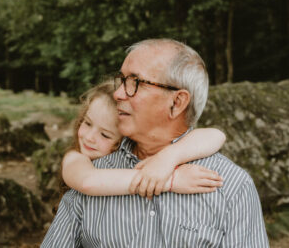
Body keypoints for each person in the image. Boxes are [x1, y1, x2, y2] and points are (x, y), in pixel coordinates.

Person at [42, 39, 269, 247]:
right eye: (121, 80)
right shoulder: (94, 172)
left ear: (177, 103)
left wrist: (168, 159)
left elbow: (216, 135)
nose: (119, 93)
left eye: (134, 82)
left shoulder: (230, 186)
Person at [59, 80, 226, 199]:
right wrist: (170, 180)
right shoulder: (75, 158)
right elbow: (88, 181)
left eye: (105, 135)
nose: (89, 137)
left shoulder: (127, 155)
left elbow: (216, 135)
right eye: (87, 123)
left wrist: (168, 158)